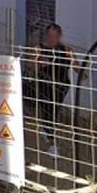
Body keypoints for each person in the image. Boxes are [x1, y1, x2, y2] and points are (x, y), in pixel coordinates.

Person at [23, 23, 78, 151]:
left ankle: (47, 129)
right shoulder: (39, 48)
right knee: (49, 108)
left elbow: (77, 67)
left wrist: (83, 72)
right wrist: (39, 63)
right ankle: (51, 140)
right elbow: (30, 65)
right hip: (45, 84)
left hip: (61, 86)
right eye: (50, 35)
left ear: (60, 36)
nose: (52, 38)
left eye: (55, 36)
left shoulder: (67, 51)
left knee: (54, 108)